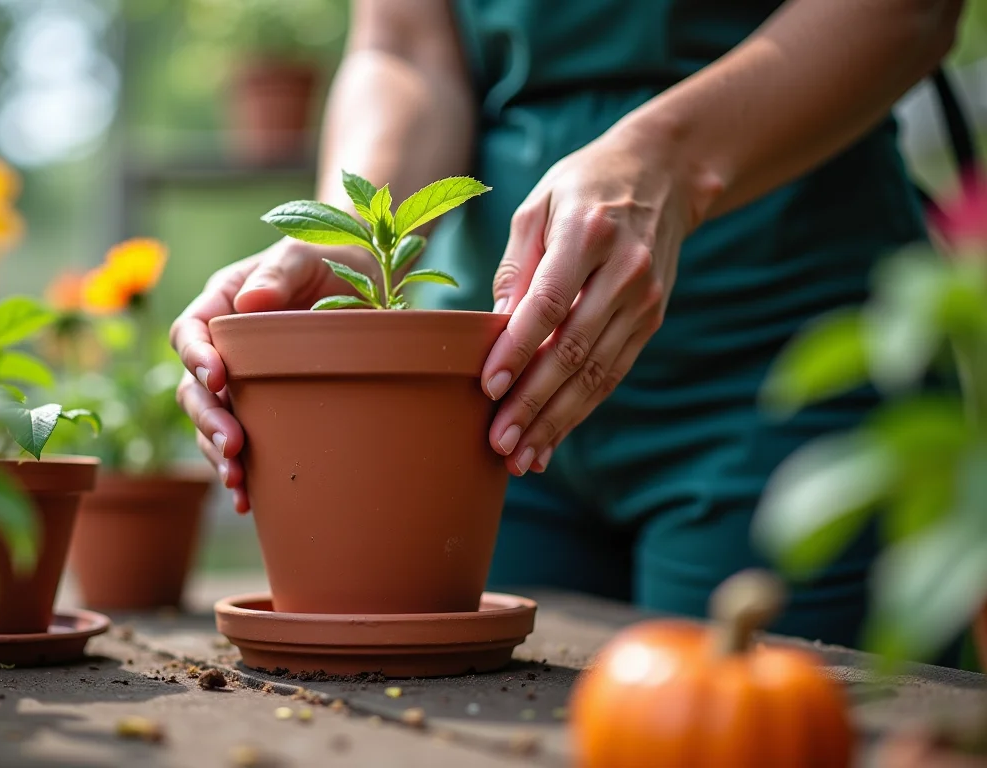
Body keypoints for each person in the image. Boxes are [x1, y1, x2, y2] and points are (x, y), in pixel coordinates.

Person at [171, 0, 965, 646]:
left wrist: (671, 160)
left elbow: (907, 12)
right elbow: (406, 47)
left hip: (780, 363)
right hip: (486, 396)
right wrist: (341, 231)